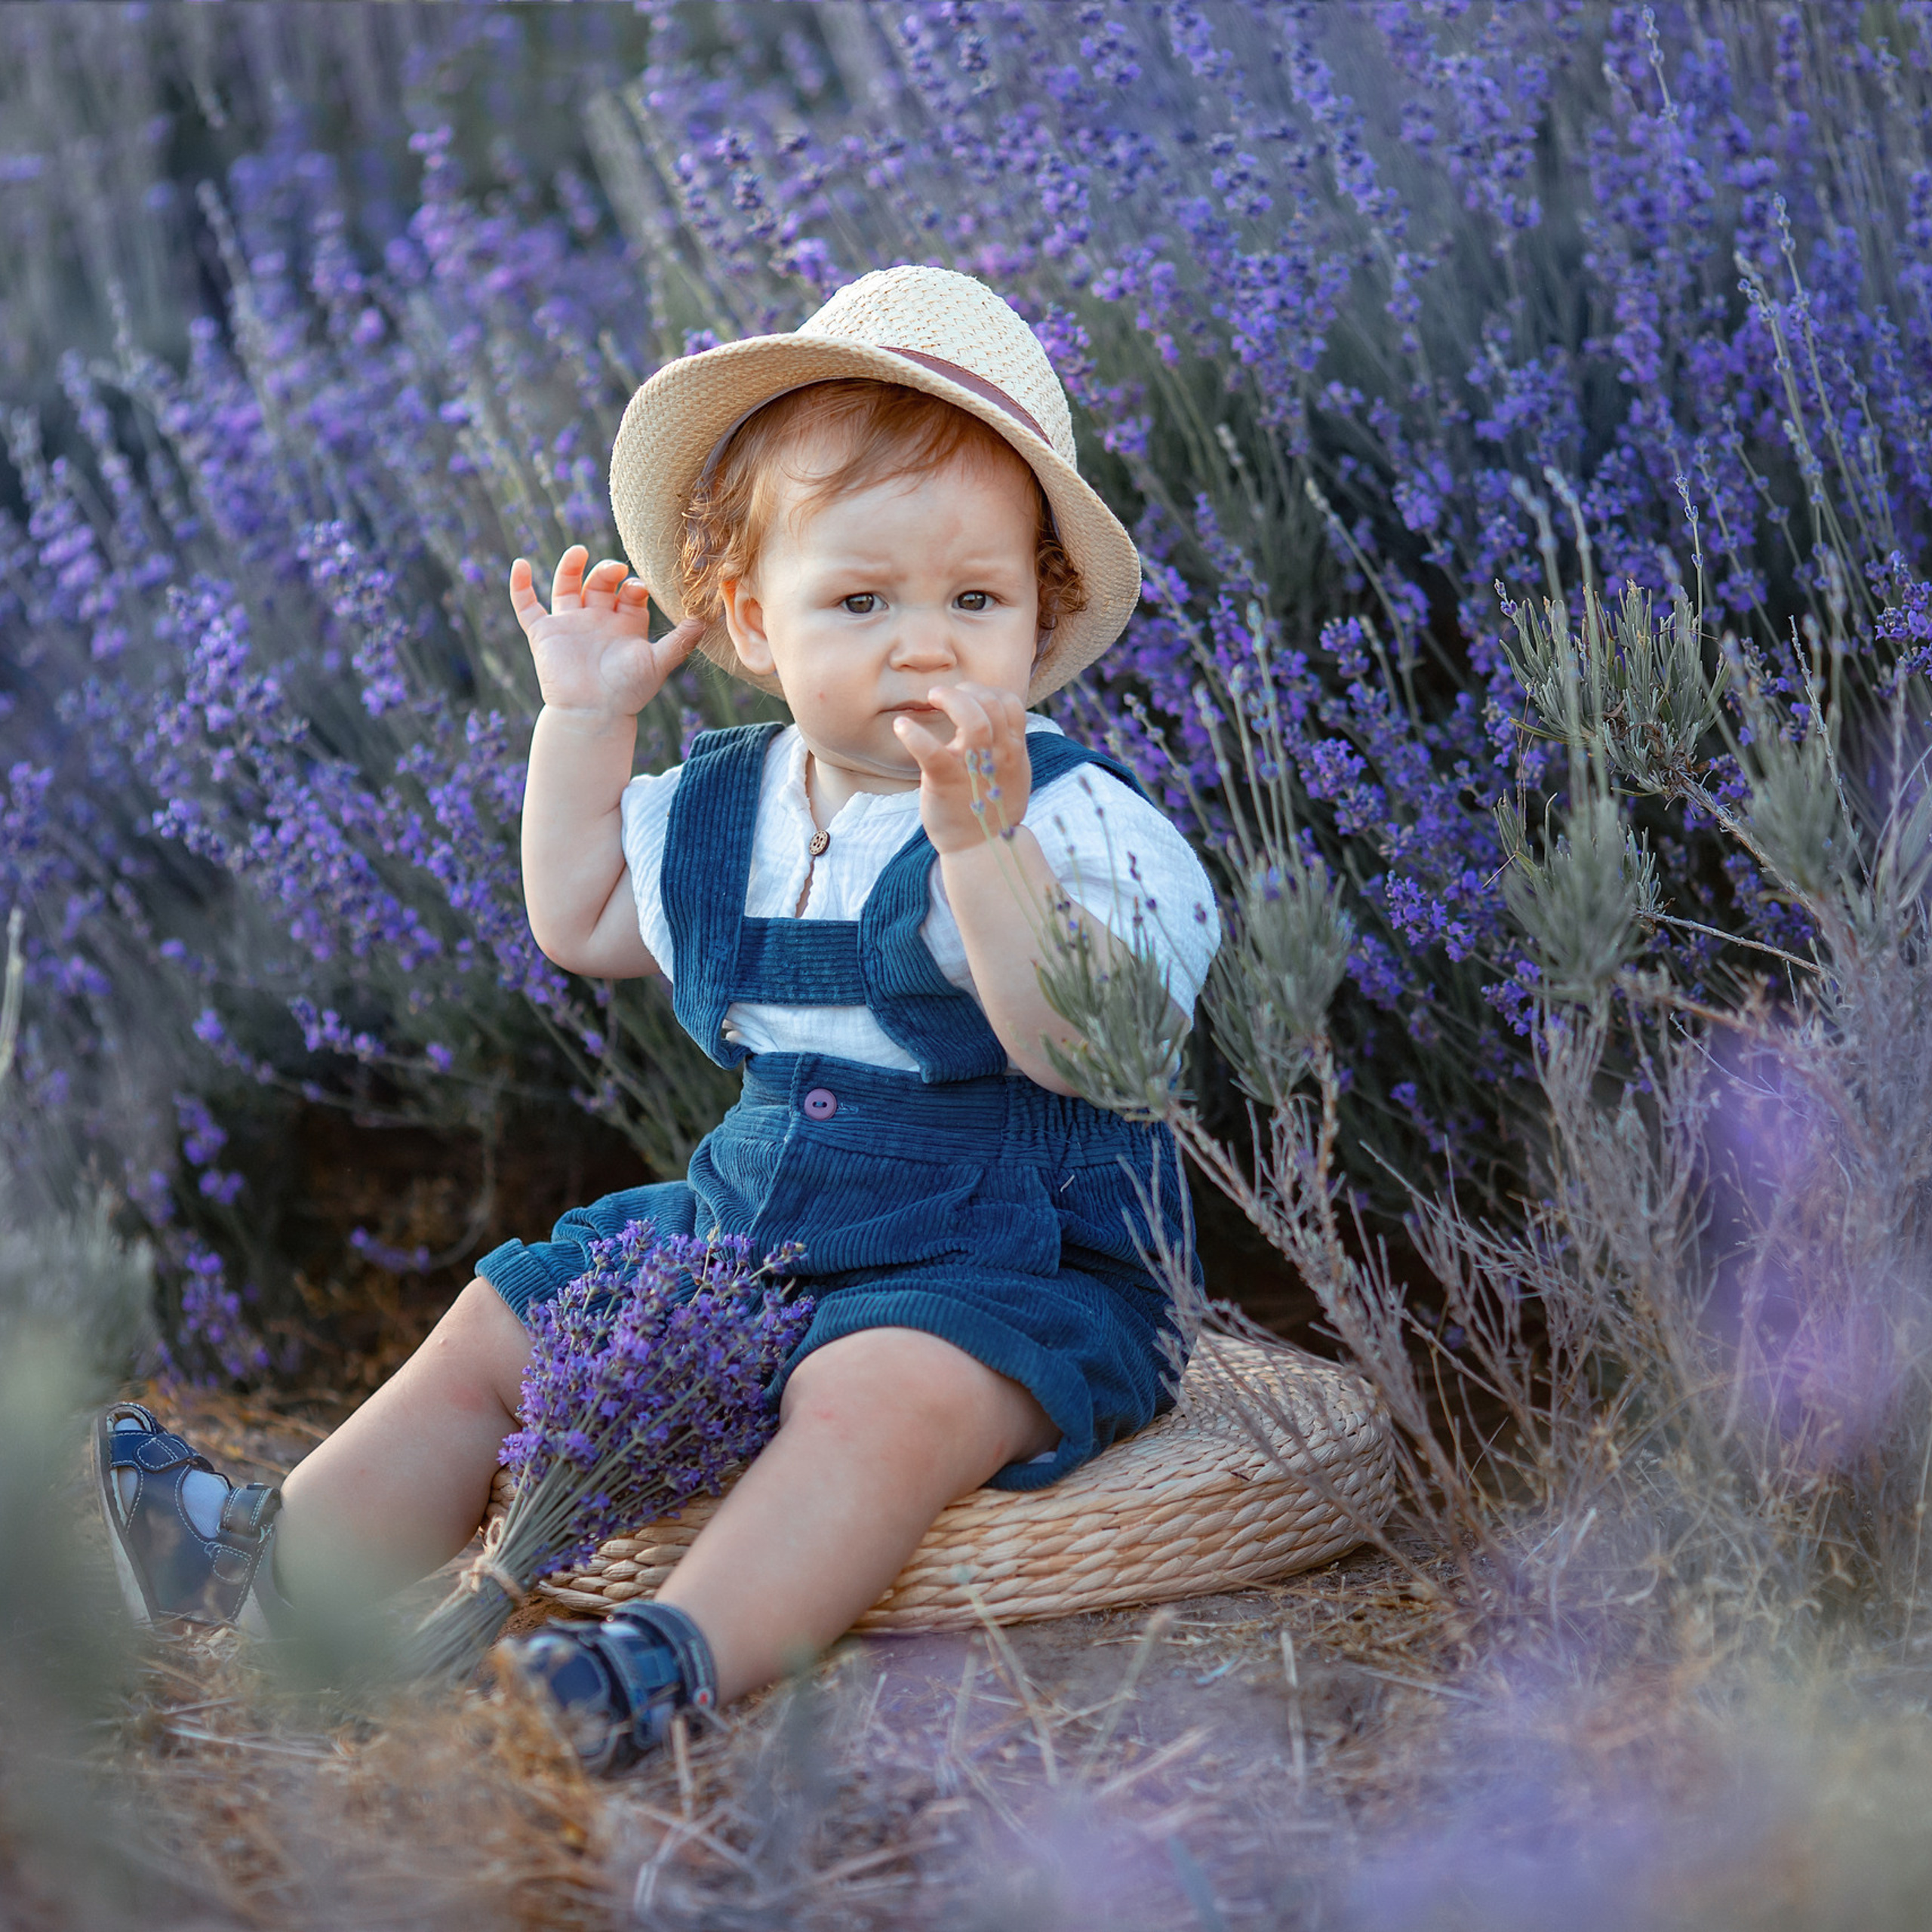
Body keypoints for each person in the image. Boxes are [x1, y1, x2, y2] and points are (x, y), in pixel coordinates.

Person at [96, 266, 1220, 1771]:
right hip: (749, 1224)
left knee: (871, 1392)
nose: (925, 642)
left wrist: (980, 844)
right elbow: (581, 918)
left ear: (1041, 609)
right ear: (753, 622)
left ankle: (660, 1661)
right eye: (860, 599)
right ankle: (267, 1561)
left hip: (1008, 1255)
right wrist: (584, 720)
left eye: (974, 599)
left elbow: (1076, 1048)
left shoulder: (1070, 818)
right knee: (512, 1318)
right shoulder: (729, 806)